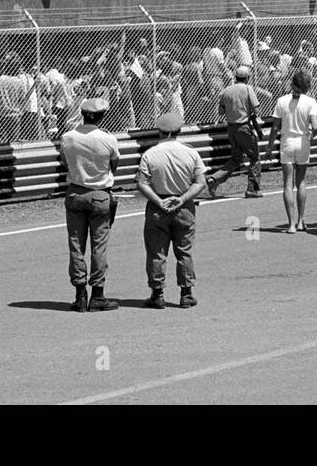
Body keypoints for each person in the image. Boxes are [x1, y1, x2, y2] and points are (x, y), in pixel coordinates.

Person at [135, 112, 207, 309]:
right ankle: (186, 293)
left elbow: (141, 183)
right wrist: (182, 199)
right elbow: (200, 182)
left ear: (159, 131)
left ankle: (157, 294)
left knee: (156, 252)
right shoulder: (191, 153)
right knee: (184, 252)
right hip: (183, 205)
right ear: (178, 131)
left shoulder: (150, 154)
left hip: (158, 207)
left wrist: (159, 201)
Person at [59, 97, 120, 312]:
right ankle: (98, 295)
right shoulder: (108, 139)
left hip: (75, 193)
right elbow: (114, 166)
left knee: (76, 245)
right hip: (100, 194)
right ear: (102, 116)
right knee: (98, 246)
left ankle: (80, 295)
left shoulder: (68, 137)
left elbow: (65, 163)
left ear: (83, 114)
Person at [266, 69, 317, 233]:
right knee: (301, 181)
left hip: (287, 142)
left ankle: (291, 223)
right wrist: (311, 136)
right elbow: (316, 126)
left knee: (288, 183)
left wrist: (269, 146)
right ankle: (301, 221)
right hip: (303, 141)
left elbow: (275, 127)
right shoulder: (310, 101)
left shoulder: (281, 101)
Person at [212, 65, 263, 199]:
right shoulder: (248, 89)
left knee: (236, 158)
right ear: (247, 77)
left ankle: (214, 179)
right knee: (255, 157)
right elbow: (256, 110)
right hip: (244, 127)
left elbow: (221, 112)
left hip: (231, 128)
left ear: (236, 77)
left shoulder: (226, 91)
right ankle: (252, 189)